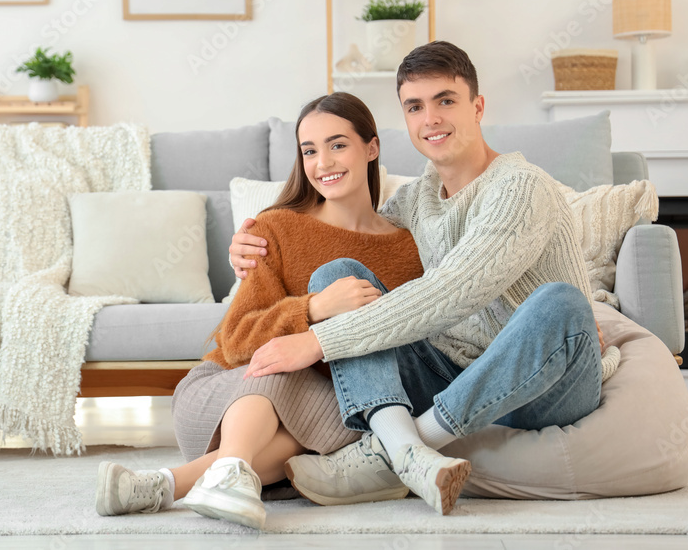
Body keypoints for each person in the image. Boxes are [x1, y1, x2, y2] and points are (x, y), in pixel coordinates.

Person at [230, 41, 608, 515]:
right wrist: (251, 244)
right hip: (451, 370)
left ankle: (395, 452)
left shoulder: (520, 187)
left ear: (478, 106)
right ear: (405, 119)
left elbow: (453, 291)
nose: (431, 118)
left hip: (544, 381)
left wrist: (318, 341)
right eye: (415, 106)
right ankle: (405, 448)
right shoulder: (418, 197)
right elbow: (353, 234)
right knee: (339, 275)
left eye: (445, 100)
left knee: (559, 303)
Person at [95, 92, 423, 529]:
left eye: (338, 144)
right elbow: (236, 341)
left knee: (354, 421)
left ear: (372, 148)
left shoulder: (408, 248)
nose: (323, 162)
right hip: (231, 396)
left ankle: (174, 484)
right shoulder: (275, 228)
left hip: (327, 416)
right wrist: (314, 308)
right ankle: (223, 469)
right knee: (280, 366)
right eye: (310, 150)